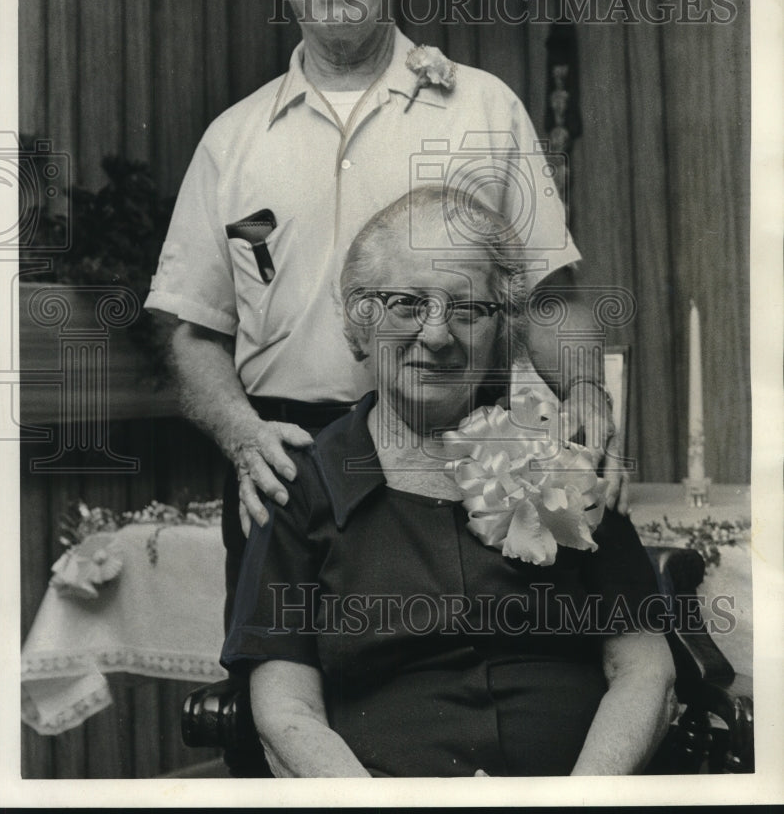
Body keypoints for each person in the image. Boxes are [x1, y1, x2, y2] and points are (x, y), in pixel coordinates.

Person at [144, 0, 626, 630]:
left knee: (455, 698)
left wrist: (588, 394)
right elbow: (192, 331)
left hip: (465, 452)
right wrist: (241, 436)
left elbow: (548, 294)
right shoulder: (229, 143)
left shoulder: (482, 108)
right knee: (277, 704)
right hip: (291, 461)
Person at [220, 187, 676, 777]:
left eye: (467, 310)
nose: (436, 336)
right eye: (406, 304)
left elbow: (646, 672)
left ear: (503, 333)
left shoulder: (567, 463)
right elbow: (286, 713)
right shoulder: (300, 482)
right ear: (360, 325)